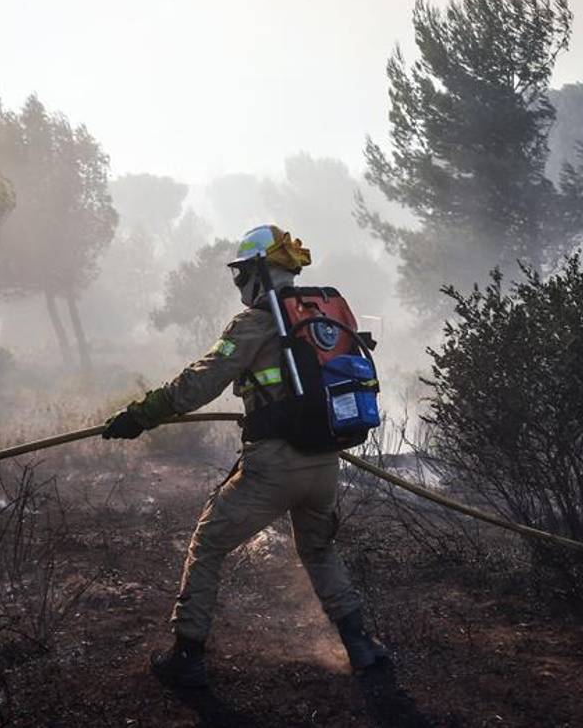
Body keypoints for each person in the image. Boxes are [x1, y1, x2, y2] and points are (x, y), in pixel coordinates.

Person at [102, 224, 389, 688]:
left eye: (241, 276)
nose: (240, 287)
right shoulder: (317, 317)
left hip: (276, 466)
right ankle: (361, 646)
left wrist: (141, 415)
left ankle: (187, 655)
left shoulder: (256, 322)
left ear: (259, 272)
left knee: (208, 544)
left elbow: (201, 381)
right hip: (324, 463)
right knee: (317, 549)